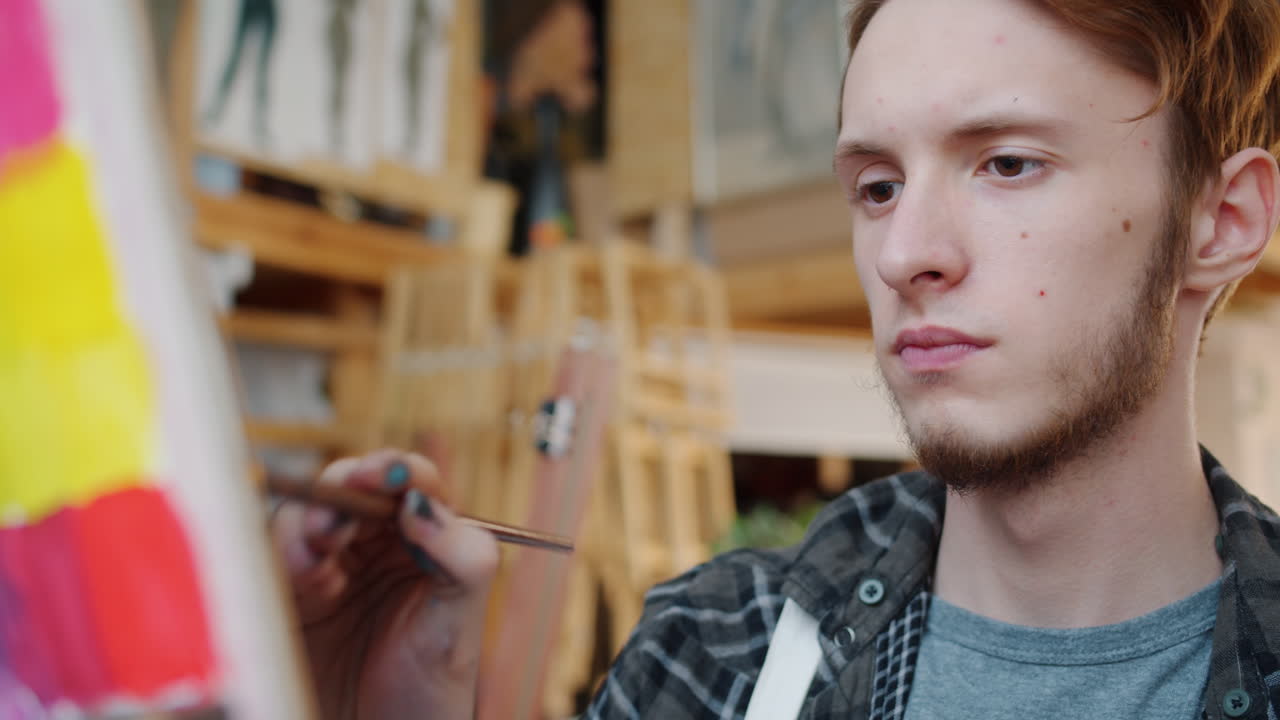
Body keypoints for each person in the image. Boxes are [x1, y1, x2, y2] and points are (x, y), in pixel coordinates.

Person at [270, 0, 1280, 717]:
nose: (903, 253)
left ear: (1222, 221)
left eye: (1006, 164)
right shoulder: (717, 653)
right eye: (877, 186)